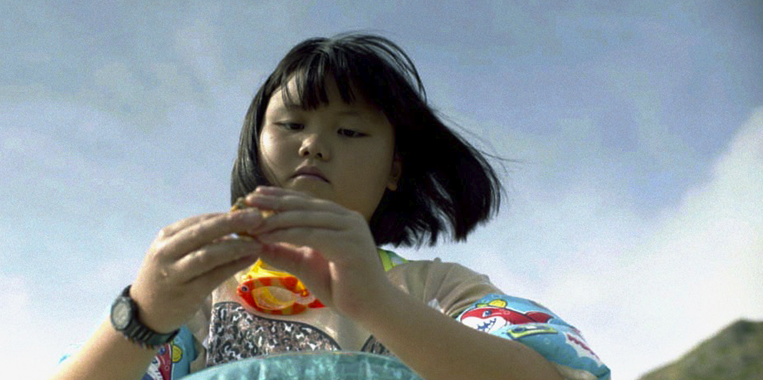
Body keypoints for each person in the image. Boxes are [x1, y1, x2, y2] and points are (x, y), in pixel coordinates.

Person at [54, 32, 610, 380]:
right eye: (291, 125)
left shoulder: (440, 290)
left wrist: (377, 304)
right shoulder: (200, 296)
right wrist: (141, 316)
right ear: (255, 147)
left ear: (395, 169)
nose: (312, 145)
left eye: (349, 130)